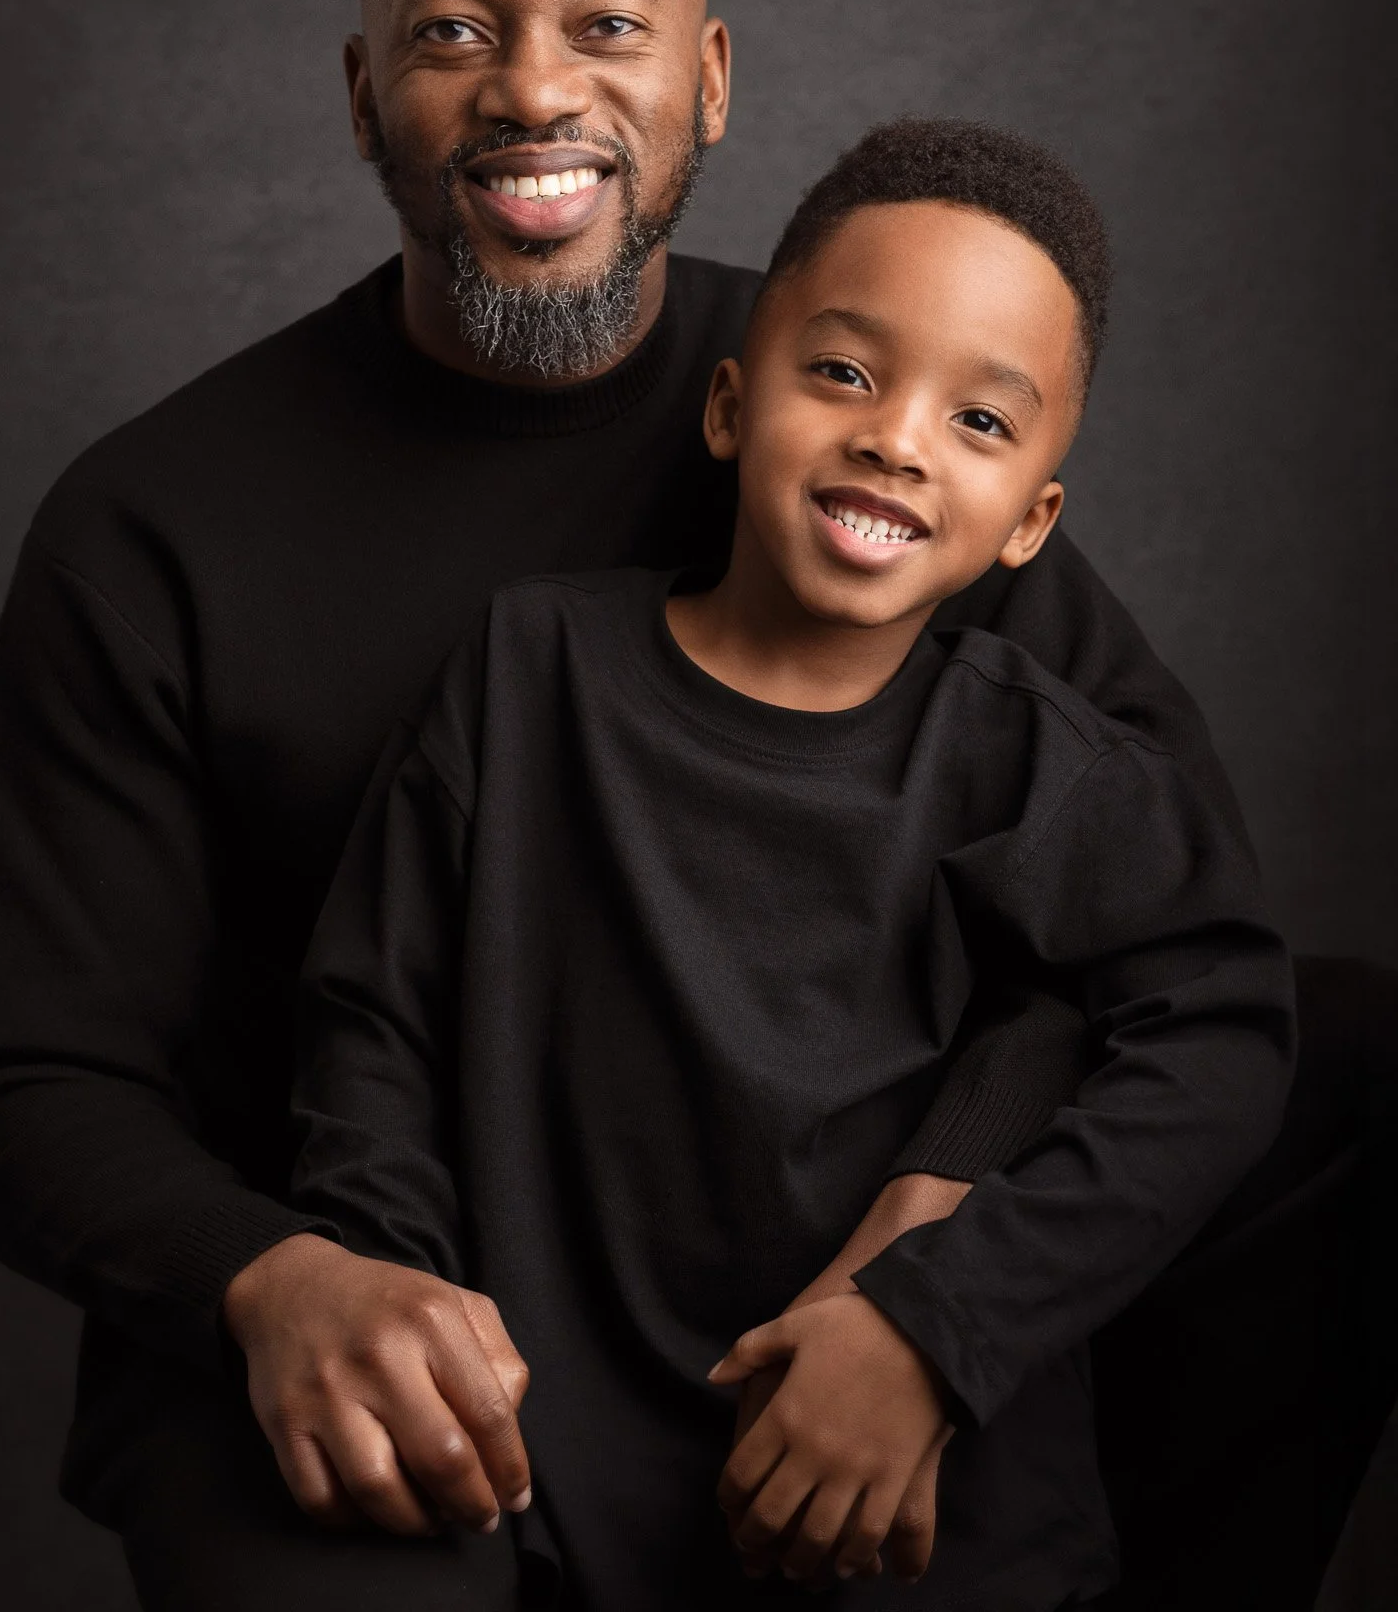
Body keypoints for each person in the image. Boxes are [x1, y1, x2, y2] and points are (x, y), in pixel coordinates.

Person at [0, 0, 1396, 1612]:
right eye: (454, 29)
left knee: (1338, 1062)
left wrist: (933, 1242)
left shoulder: (861, 402)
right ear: (366, 90)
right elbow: (37, 1082)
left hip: (809, 1238)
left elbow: (1159, 907)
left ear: (705, 76)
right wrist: (281, 1281)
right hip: (366, 1282)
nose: (537, 87)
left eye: (606, 23)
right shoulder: (156, 527)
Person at [286, 117, 1294, 1611]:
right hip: (565, 1494)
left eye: (982, 422)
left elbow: (1222, 1038)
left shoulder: (1037, 767)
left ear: (1032, 526)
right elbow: (376, 1024)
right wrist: (399, 1294)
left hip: (935, 1522)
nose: (896, 434)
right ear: (727, 406)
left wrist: (933, 1332)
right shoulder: (531, 673)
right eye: (845, 372)